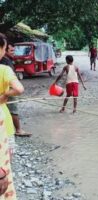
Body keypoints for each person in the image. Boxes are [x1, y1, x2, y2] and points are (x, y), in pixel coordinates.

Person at [0, 33, 22, 200]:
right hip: (3, 122)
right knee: (5, 164)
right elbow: (19, 89)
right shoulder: (4, 68)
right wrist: (4, 96)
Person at [0, 42, 31, 137]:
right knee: (14, 109)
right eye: (10, 50)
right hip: (8, 88)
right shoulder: (4, 64)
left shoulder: (8, 60)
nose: (13, 52)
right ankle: (18, 129)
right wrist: (6, 94)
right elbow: (19, 89)